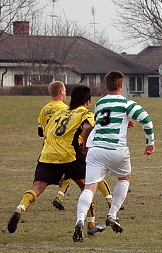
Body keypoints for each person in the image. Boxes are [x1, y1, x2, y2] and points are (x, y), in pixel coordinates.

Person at [73, 71, 155, 243]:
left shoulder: (100, 103)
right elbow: (146, 120)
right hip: (117, 149)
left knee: (90, 187)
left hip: (96, 150)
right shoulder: (126, 103)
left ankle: (80, 220)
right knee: (124, 178)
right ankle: (112, 214)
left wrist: (125, 122)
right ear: (121, 86)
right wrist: (150, 143)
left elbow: (102, 123)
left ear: (106, 86)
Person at [7, 85, 98, 235]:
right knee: (87, 188)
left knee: (37, 187)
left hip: (48, 154)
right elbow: (88, 128)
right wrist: (86, 148)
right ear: (88, 102)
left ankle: (20, 208)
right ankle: (91, 224)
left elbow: (45, 132)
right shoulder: (85, 113)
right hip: (70, 155)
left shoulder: (60, 112)